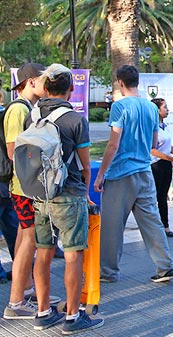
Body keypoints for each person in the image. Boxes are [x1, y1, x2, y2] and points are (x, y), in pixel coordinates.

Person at [24, 64, 104, 333]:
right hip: (68, 195)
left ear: (45, 88)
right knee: (73, 255)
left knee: (43, 253)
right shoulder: (75, 120)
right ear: (71, 89)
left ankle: (43, 312)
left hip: (39, 195)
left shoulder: (32, 117)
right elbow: (84, 164)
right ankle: (72, 316)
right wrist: (88, 191)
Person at [93, 65, 173, 283]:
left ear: (120, 82)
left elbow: (113, 144)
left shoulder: (119, 107)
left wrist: (101, 174)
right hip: (144, 171)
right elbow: (153, 142)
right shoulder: (151, 108)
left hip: (121, 173)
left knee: (112, 225)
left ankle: (108, 271)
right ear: (137, 81)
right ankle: (165, 266)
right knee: (152, 221)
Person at [3, 63, 57, 320]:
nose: (47, 85)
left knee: (24, 239)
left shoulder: (26, 107)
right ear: (31, 81)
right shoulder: (18, 109)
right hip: (23, 187)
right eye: (44, 80)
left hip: (24, 186)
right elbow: (15, 153)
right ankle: (15, 303)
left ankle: (25, 290)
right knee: (28, 240)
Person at [149, 98, 173, 238]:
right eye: (165, 107)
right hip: (155, 164)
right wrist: (172, 158)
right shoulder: (152, 127)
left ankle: (165, 226)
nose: (168, 110)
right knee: (154, 196)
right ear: (157, 110)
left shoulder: (164, 125)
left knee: (163, 196)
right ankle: (152, 226)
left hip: (166, 164)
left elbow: (166, 145)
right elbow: (152, 150)